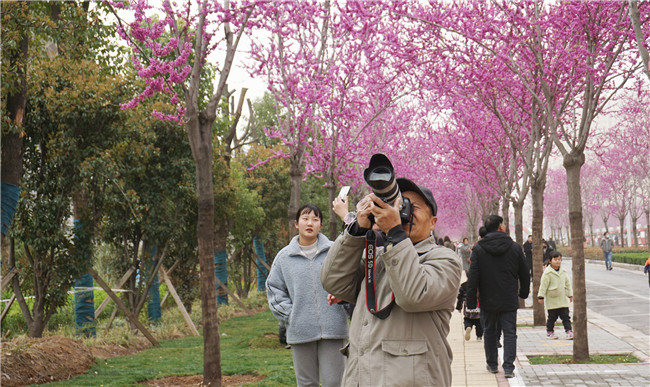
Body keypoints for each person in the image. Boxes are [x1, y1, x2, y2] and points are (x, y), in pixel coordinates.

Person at [321, 178, 462, 386]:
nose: (402, 212)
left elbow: (413, 295)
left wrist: (396, 233)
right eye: (398, 204)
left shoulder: (445, 259)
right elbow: (334, 281)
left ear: (433, 222)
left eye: (411, 207)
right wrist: (357, 230)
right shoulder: (375, 257)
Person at [266, 204, 349, 387]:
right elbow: (274, 288)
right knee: (306, 384)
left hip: (333, 329)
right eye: (305, 218)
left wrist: (344, 301)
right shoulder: (284, 257)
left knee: (335, 382)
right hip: (300, 331)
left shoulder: (335, 250)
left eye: (315, 219)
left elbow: (349, 278)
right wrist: (291, 315)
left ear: (321, 225)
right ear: (296, 224)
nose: (310, 223)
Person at [466, 215, 530, 379]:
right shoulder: (514, 247)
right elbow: (524, 272)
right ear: (500, 227)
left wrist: (471, 300)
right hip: (509, 297)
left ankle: (492, 364)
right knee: (510, 332)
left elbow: (473, 276)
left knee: (489, 331)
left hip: (488, 298)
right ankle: (508, 367)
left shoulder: (479, 249)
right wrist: (523, 293)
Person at [537, 251, 573, 340]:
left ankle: (569, 331)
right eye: (555, 259)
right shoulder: (547, 273)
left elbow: (568, 284)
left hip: (562, 299)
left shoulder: (563, 271)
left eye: (559, 259)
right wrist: (541, 296)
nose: (558, 261)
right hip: (552, 300)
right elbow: (543, 285)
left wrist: (570, 295)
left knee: (566, 317)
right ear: (550, 261)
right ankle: (550, 332)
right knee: (552, 318)